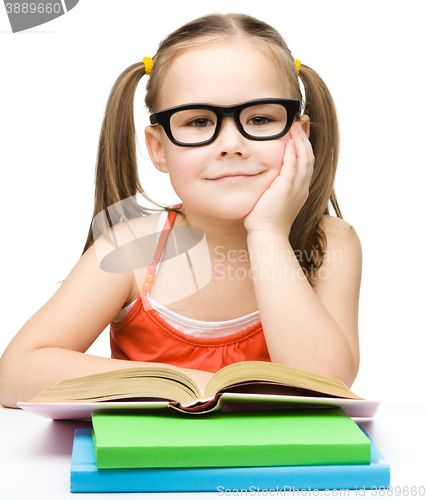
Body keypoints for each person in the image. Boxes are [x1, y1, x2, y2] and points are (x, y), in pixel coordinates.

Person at [0, 13, 362, 409]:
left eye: (260, 118)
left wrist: (268, 233)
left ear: (300, 135)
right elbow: (15, 375)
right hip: (147, 470)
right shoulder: (134, 249)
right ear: (159, 149)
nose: (231, 144)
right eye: (198, 121)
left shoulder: (328, 242)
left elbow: (324, 386)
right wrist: (200, 385)